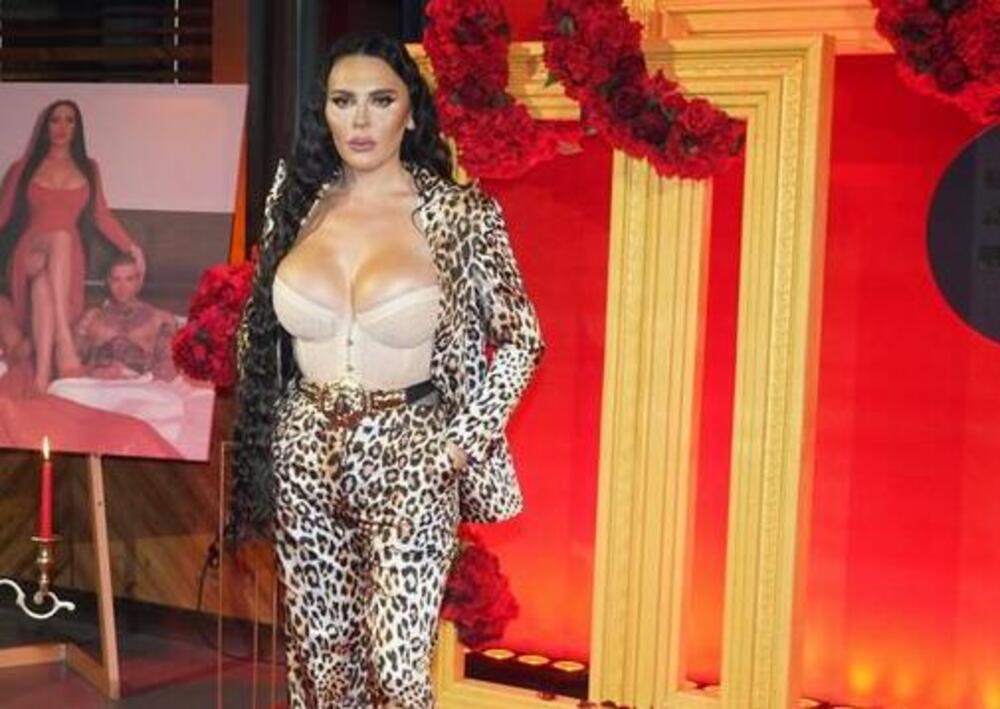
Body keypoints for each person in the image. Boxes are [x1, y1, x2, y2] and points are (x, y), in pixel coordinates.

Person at [231, 33, 545, 709]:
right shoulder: (294, 199)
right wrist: (274, 429)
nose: (361, 120)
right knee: (320, 664)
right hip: (305, 446)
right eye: (343, 101)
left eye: (380, 100)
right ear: (324, 111)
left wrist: (458, 445)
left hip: (412, 450)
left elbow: (524, 340)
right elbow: (258, 324)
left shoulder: (459, 213)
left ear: (411, 110)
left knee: (398, 670)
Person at [0, 99, 147, 393]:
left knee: (44, 284)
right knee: (61, 236)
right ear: (45, 126)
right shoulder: (22, 168)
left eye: (69, 120)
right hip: (30, 251)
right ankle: (64, 343)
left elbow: (101, 215)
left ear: (77, 128)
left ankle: (42, 377)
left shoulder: (89, 169)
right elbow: (2, 214)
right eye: (55, 120)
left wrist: (133, 248)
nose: (62, 127)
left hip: (67, 262)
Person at [74, 254, 177, 381]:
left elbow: (169, 368)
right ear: (109, 281)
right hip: (98, 384)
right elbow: (72, 365)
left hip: (143, 385)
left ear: (138, 281)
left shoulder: (160, 319)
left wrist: (144, 380)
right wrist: (93, 372)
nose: (122, 287)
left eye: (129, 279)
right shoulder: (91, 319)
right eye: (116, 280)